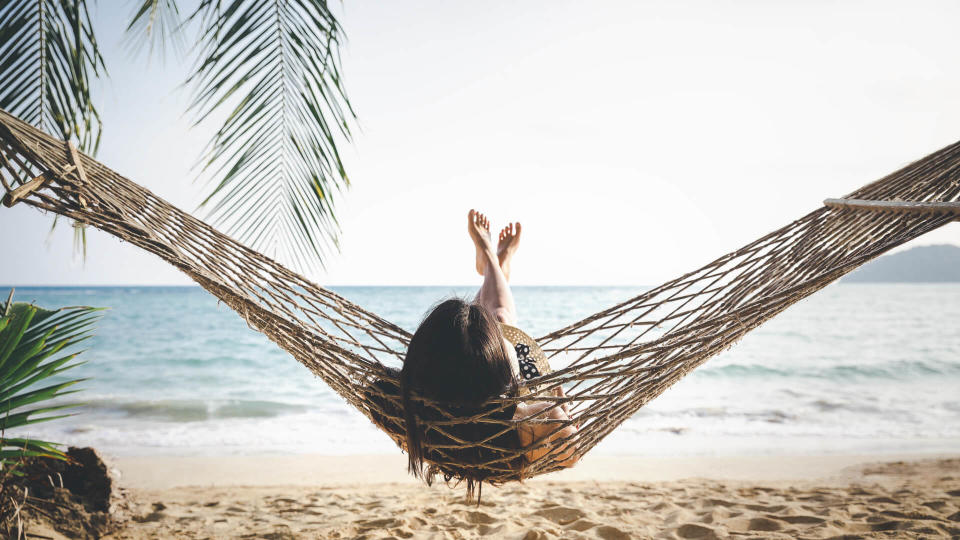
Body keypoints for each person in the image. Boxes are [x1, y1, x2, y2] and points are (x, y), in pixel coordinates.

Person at [399, 210, 578, 491]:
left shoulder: (416, 410)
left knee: (471, 328)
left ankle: (493, 263)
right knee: (500, 317)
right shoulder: (538, 420)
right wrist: (560, 402)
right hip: (514, 400)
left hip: (457, 409)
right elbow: (570, 456)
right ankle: (491, 261)